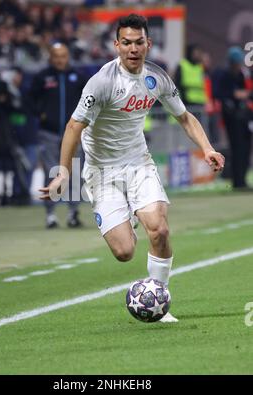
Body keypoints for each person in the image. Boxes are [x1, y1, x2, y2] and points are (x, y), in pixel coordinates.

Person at [39, 14, 225, 322]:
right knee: (124, 252)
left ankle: (159, 301)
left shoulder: (157, 78)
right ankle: (127, 217)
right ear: (116, 45)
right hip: (102, 173)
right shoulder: (101, 82)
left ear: (148, 44)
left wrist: (207, 148)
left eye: (139, 42)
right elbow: (74, 126)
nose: (133, 48)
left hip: (139, 164)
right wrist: (64, 171)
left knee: (161, 230)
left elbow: (185, 117)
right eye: (126, 43)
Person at [31, 42, 87, 228]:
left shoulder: (78, 78)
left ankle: (73, 213)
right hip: (49, 132)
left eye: (63, 56)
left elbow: (88, 102)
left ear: (68, 57)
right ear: (50, 57)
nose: (60, 60)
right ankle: (51, 215)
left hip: (73, 133)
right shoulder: (42, 78)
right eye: (56, 56)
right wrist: (41, 114)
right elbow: (30, 100)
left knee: (75, 172)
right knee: (52, 171)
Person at [213, 46, 252, 190]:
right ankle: (237, 182)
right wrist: (236, 94)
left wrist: (242, 94)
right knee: (236, 148)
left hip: (243, 117)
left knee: (245, 148)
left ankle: (243, 180)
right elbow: (220, 93)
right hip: (231, 117)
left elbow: (245, 93)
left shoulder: (241, 75)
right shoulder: (223, 74)